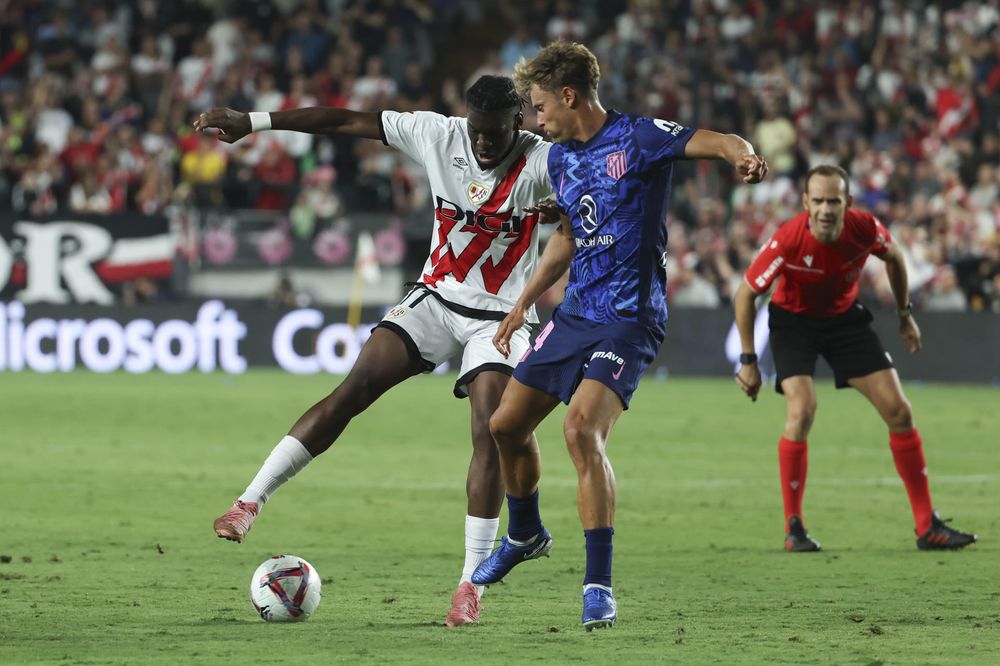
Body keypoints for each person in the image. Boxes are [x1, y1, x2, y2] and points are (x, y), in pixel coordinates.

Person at [194, 75, 557, 627]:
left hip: (501, 317)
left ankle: (470, 584)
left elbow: (603, 193)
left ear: (519, 124)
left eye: (494, 134)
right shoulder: (439, 135)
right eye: (476, 132)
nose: (482, 144)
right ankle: (249, 502)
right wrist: (256, 122)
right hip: (435, 297)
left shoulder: (544, 161)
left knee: (490, 430)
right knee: (353, 389)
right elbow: (344, 121)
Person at [468, 41, 768, 630]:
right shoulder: (560, 159)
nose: (535, 118)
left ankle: (598, 586)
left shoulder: (639, 138)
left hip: (629, 317)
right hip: (577, 312)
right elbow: (569, 237)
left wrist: (744, 155)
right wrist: (523, 302)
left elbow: (714, 141)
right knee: (505, 424)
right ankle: (526, 533)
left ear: (569, 95)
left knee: (580, 430)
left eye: (539, 106)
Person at [732, 164, 977, 553]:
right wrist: (748, 359)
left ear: (847, 202)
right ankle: (793, 528)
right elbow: (745, 294)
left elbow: (895, 259)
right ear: (806, 203)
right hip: (793, 324)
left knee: (900, 411)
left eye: (834, 201)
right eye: (819, 201)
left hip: (844, 321)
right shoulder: (788, 241)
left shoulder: (864, 229)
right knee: (802, 410)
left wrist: (904, 315)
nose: (826, 209)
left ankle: (927, 525)